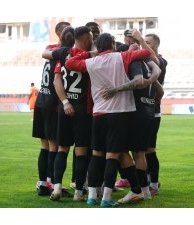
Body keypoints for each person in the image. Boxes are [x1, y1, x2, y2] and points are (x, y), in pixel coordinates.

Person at [65, 33, 152, 207]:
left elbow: (69, 63)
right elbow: (146, 54)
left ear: (98, 46)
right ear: (112, 44)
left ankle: (91, 196)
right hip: (119, 113)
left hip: (98, 113)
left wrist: (89, 54)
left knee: (97, 154)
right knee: (113, 155)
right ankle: (106, 198)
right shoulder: (122, 56)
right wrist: (136, 44)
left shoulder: (92, 62)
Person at [102, 31, 162, 203]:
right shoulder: (148, 62)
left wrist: (115, 90)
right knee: (140, 153)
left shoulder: (135, 60)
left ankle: (137, 189)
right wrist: (150, 94)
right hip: (148, 112)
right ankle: (146, 191)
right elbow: (160, 86)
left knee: (121, 150)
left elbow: (136, 82)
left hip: (136, 113)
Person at [45, 26, 93, 202]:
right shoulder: (89, 57)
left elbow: (57, 80)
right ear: (87, 38)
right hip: (82, 109)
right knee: (81, 151)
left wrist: (65, 102)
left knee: (62, 149)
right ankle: (79, 192)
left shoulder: (63, 55)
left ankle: (57, 187)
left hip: (64, 108)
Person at [33, 21, 71, 196]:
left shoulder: (50, 49)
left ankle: (43, 183)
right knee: (53, 145)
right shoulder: (65, 52)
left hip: (42, 100)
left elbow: (44, 54)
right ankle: (52, 183)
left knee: (45, 145)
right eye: (65, 32)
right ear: (59, 34)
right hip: (52, 103)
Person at [144, 33, 168, 195]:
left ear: (156, 45)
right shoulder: (143, 60)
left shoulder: (161, 61)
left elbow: (157, 64)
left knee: (149, 149)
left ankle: (153, 184)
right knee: (141, 149)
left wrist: (139, 41)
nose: (143, 44)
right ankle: (147, 181)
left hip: (153, 112)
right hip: (141, 111)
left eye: (147, 43)